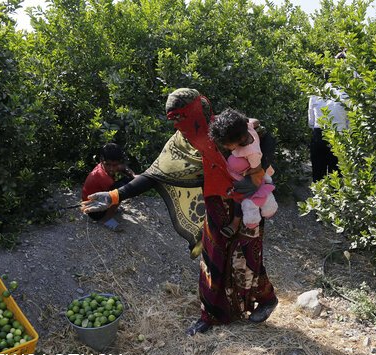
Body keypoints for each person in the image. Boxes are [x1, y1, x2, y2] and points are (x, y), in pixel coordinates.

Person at [81, 88, 278, 336]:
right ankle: (212, 315)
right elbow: (154, 175)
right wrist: (113, 196)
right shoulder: (181, 143)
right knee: (213, 261)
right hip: (216, 206)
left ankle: (267, 298)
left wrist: (259, 171)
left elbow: (265, 138)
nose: (176, 125)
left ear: (195, 112)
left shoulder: (226, 128)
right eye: (172, 119)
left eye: (179, 117)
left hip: (248, 202)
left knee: (247, 258)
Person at [209, 108, 278, 238]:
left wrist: (245, 179)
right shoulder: (245, 128)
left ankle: (236, 223)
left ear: (240, 138)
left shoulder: (252, 152)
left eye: (228, 145)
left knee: (240, 197)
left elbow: (257, 170)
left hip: (250, 172)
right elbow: (254, 121)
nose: (225, 147)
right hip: (240, 169)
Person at [307, 53, 350, 182]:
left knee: (318, 174)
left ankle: (318, 200)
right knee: (336, 175)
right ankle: (336, 201)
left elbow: (311, 121)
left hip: (318, 134)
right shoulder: (346, 94)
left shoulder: (315, 93)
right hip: (339, 135)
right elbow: (350, 124)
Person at [81, 143, 135, 232]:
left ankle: (109, 212)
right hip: (94, 210)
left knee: (127, 180)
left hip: (97, 200)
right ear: (101, 160)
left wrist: (133, 175)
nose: (111, 169)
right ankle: (105, 219)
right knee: (118, 194)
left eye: (114, 165)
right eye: (108, 165)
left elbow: (123, 168)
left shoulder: (103, 167)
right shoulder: (103, 178)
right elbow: (113, 197)